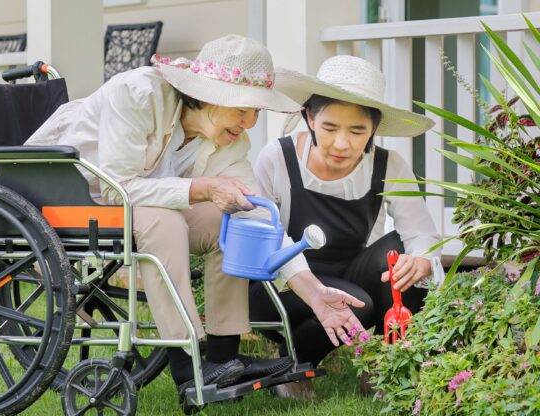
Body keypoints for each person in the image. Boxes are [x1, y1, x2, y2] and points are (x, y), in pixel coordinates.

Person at [25, 35, 366, 393]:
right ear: (208, 96)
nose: (249, 122)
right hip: (71, 196)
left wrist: (314, 293)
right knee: (165, 219)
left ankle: (224, 357)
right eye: (242, 109)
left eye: (256, 112)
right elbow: (116, 187)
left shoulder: (228, 141)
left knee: (234, 219)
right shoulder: (137, 94)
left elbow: (261, 216)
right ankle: (187, 364)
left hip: (137, 206)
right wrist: (201, 189)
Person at [249, 55, 443, 397]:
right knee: (358, 303)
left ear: (374, 128)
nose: (342, 143)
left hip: (350, 273)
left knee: (401, 255)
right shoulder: (277, 158)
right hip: (281, 285)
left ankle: (388, 367)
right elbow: (261, 237)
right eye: (329, 128)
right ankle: (295, 364)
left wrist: (422, 261)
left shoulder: (389, 165)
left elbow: (420, 233)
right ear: (309, 117)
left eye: (357, 131)